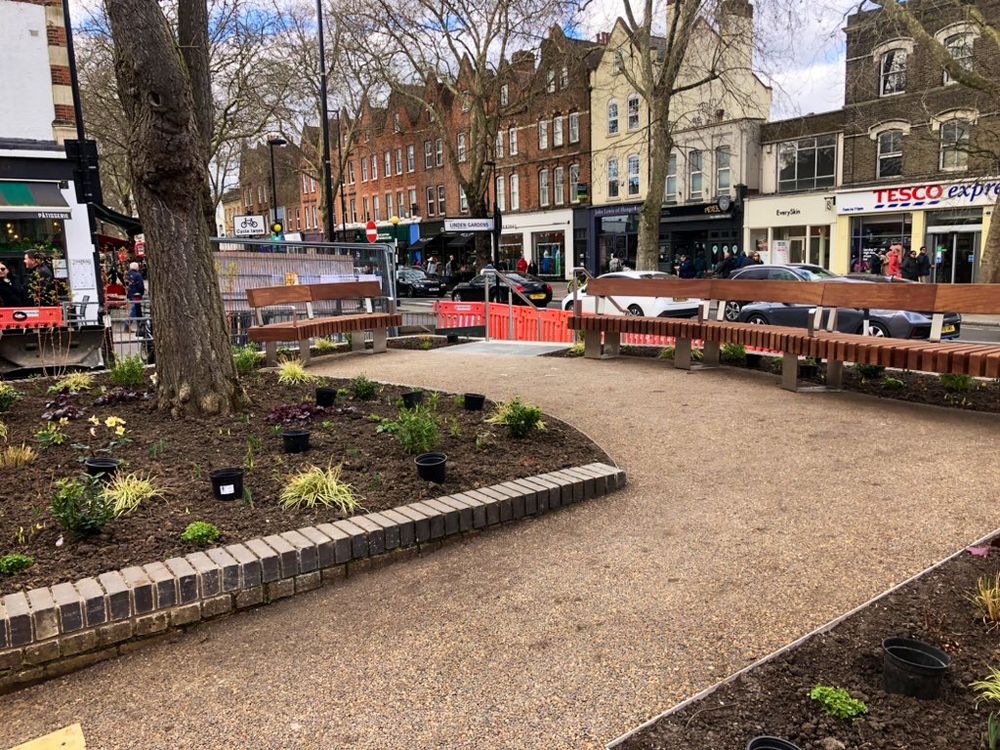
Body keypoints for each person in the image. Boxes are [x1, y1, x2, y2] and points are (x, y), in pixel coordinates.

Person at [125, 261, 145, 332]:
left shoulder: (127, 275)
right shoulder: (138, 275)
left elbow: (126, 284)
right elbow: (141, 286)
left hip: (130, 294)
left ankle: (140, 326)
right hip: (136, 295)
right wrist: (141, 293)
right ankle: (127, 324)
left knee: (137, 310)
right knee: (135, 310)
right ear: (137, 267)